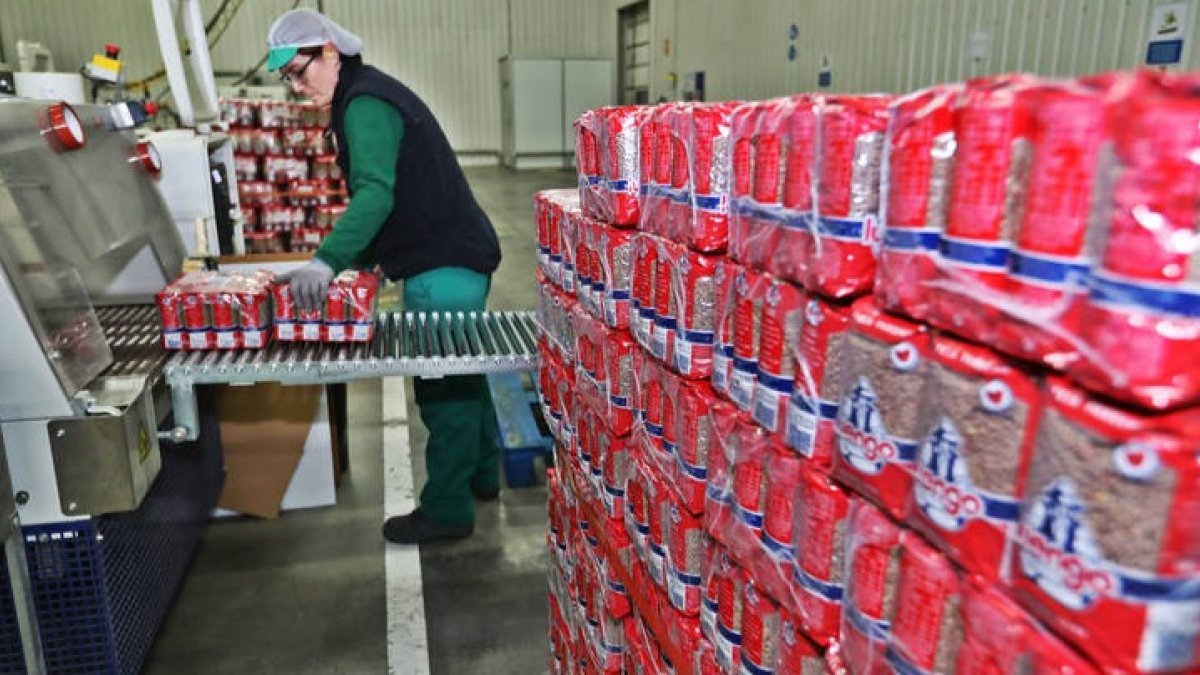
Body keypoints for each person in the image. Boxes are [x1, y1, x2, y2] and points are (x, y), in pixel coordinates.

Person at [266, 9, 503, 544]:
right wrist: (353, 259)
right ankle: (485, 476)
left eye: (300, 73)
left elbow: (376, 192)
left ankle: (447, 509)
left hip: (442, 266)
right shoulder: (367, 94)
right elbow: (393, 195)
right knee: (466, 371)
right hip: (452, 255)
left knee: (443, 389)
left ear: (329, 52)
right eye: (288, 80)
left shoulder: (365, 103)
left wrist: (327, 261)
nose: (298, 88)